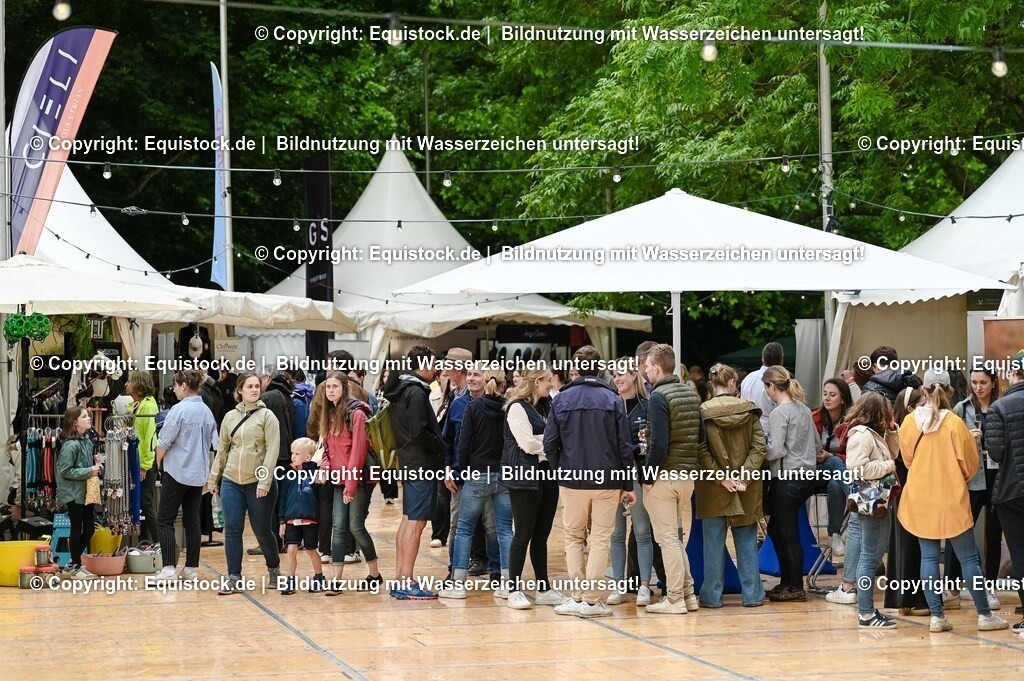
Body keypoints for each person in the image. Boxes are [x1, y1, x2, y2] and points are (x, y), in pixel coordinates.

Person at [898, 369, 1008, 633]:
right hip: (952, 498)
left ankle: (937, 617)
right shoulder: (956, 424)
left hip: (920, 498)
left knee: (929, 557)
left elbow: (908, 460)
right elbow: (970, 467)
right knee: (969, 558)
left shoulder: (910, 422)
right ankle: (985, 615)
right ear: (949, 392)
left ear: (923, 390)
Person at [545, 345, 634, 618]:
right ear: (599, 368)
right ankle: (593, 600)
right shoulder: (613, 400)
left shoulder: (561, 399)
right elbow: (624, 446)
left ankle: (578, 595)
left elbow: (550, 443)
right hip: (608, 479)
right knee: (600, 538)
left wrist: (559, 469)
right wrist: (628, 484)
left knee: (573, 537)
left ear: (575, 369)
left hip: (572, 479)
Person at [641, 343, 704, 614]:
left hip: (664, 476)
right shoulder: (689, 393)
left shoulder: (658, 396)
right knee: (675, 539)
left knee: (666, 539)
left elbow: (659, 444)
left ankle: (675, 598)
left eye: (646, 366)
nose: (644, 370)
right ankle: (688, 594)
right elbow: (700, 436)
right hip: (686, 475)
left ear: (656, 367)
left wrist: (648, 475)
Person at [697, 363, 767, 608]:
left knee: (713, 546)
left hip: (713, 487)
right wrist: (744, 477)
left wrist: (722, 478)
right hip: (746, 487)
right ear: (732, 383)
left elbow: (701, 451)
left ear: (712, 384)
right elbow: (760, 447)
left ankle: (712, 597)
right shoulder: (750, 411)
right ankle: (753, 594)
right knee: (747, 541)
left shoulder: (702, 412)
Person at [206, 372, 282, 594]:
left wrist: (264, 481)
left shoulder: (267, 416)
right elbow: (222, 451)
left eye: (257, 386)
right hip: (231, 480)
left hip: (258, 481)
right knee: (232, 530)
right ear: (239, 390)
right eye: (249, 386)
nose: (254, 389)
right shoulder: (230, 417)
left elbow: (272, 452)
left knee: (262, 530)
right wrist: (214, 479)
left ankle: (274, 568)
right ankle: (234, 576)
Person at [440, 370, 513, 600]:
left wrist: (462, 471)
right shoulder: (508, 407)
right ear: (503, 383)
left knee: (464, 529)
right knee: (503, 530)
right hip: (503, 475)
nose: (471, 378)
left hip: (477, 474)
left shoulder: (473, 407)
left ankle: (458, 583)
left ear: (486, 381)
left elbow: (463, 444)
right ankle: (507, 582)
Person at [385, 345, 445, 599]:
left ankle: (400, 578)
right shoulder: (417, 393)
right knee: (417, 523)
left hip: (408, 461)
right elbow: (420, 431)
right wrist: (441, 445)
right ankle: (407, 581)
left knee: (409, 521)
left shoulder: (400, 390)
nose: (436, 368)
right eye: (433, 363)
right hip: (421, 463)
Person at [502, 369, 562, 610]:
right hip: (524, 477)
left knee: (541, 536)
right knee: (523, 533)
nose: (551, 384)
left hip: (548, 475)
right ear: (536, 382)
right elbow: (527, 444)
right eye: (548, 381)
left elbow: (556, 437)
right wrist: (548, 444)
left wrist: (543, 441)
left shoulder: (548, 406)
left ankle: (544, 587)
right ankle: (514, 589)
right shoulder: (517, 407)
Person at [152, 370, 218, 582]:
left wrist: (159, 463)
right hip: (199, 473)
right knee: (192, 519)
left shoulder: (178, 410)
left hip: (177, 470)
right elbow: (214, 444)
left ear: (182, 385)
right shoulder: (206, 411)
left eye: (175, 385)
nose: (174, 389)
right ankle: (191, 568)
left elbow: (164, 442)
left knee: (164, 519)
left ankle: (169, 568)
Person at [319, 371, 380, 595]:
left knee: (355, 527)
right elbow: (326, 449)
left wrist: (350, 486)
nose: (331, 391)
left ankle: (374, 574)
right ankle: (336, 581)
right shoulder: (330, 413)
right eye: (328, 387)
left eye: (335, 386)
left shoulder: (356, 414)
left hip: (358, 480)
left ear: (344, 388)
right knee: (337, 528)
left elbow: (358, 453)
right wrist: (325, 468)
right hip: (338, 480)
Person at [763, 365, 820, 602]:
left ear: (771, 387)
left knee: (786, 532)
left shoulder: (779, 413)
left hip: (787, 478)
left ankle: (794, 585)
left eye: (766, 388)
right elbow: (817, 445)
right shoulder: (804, 409)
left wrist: (760, 449)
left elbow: (775, 450)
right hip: (807, 477)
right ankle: (787, 581)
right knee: (778, 529)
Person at [843, 392, 899, 628]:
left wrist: (893, 432)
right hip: (871, 502)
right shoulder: (862, 435)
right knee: (869, 559)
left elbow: (893, 455)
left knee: (873, 556)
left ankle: (868, 611)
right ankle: (866, 613)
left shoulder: (875, 433)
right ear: (879, 412)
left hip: (880, 502)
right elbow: (856, 467)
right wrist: (886, 466)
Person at [949, 368, 1002, 610]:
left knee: (993, 534)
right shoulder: (962, 408)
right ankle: (952, 586)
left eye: (983, 382)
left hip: (997, 477)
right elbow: (949, 441)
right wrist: (967, 438)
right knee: (959, 531)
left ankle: (989, 586)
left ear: (993, 383)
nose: (978, 387)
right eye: (974, 382)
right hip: (971, 478)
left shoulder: (1002, 406)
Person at [982, 354, 1024, 637]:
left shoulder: (999, 407)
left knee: (1020, 553)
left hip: (1012, 491)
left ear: (1013, 373)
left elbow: (996, 453)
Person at [608, 361, 654, 607]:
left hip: (636, 474)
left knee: (642, 531)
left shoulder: (646, 407)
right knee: (615, 533)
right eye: (614, 375)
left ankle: (645, 585)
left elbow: (649, 444)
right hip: (613, 476)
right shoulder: (609, 405)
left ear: (634, 375)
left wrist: (630, 448)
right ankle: (617, 584)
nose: (617, 378)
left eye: (621, 374)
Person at [882, 387, 930, 615]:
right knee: (916, 546)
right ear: (910, 408)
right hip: (912, 492)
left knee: (904, 545)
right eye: (922, 404)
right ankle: (917, 599)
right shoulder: (908, 432)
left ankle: (904, 598)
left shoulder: (897, 431)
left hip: (904, 493)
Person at [431, 347, 471, 548]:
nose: (445, 373)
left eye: (448, 368)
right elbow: (449, 438)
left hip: (476, 469)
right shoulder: (454, 396)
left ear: (459, 369)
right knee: (458, 518)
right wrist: (448, 468)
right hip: (456, 468)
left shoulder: (474, 397)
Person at [56, 406, 101, 580]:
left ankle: (72, 564)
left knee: (89, 528)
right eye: (84, 416)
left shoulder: (86, 441)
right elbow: (65, 470)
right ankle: (76, 566)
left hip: (85, 493)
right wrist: (89, 471)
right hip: (74, 493)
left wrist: (93, 463)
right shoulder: (70, 445)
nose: (89, 418)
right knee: (76, 528)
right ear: (75, 422)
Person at [811, 378, 853, 557]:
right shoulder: (814, 418)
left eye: (832, 395)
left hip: (838, 474)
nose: (827, 398)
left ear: (843, 399)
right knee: (835, 463)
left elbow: (853, 455)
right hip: (814, 471)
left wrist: (832, 455)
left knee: (836, 482)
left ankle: (833, 534)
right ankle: (856, 497)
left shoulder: (852, 422)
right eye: (825, 394)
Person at [277, 437, 324, 595]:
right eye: (292, 453)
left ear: (308, 457)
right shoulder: (288, 474)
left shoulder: (314, 473)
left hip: (310, 519)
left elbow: (320, 497)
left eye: (297, 453)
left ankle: (319, 577)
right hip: (292, 519)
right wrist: (282, 520)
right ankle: (290, 580)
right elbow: (283, 499)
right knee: (291, 549)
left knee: (311, 549)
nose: (293, 457)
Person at [125, 371, 159, 545]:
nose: (126, 384)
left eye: (130, 381)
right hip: (136, 460)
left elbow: (150, 438)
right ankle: (144, 542)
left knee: (146, 502)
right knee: (139, 503)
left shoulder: (149, 407)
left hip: (146, 462)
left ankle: (160, 543)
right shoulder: (135, 406)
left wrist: (145, 465)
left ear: (138, 384)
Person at [740, 342, 784, 433]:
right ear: (781, 361)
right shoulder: (779, 381)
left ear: (762, 358)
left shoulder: (748, 378)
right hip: (769, 431)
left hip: (747, 429)